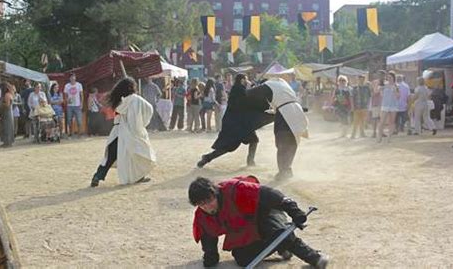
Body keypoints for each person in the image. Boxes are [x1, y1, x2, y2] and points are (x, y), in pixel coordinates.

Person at [189, 176, 329, 268]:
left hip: (265, 213)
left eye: (209, 201)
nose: (207, 207)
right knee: (242, 259)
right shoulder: (202, 215)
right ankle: (280, 247)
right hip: (247, 228)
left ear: (215, 193)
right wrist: (211, 257)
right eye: (201, 204)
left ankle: (314, 257)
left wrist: (293, 210)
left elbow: (270, 195)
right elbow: (208, 236)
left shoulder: (235, 189)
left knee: (278, 233)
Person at [198, 76, 309, 180]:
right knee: (230, 145)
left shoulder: (244, 90)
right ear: (242, 80)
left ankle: (254, 162)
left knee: (260, 141)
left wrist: (255, 91)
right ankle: (207, 157)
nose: (247, 81)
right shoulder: (239, 90)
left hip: (245, 123)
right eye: (245, 79)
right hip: (239, 124)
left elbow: (255, 99)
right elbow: (252, 101)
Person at [91, 77, 156, 187]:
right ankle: (138, 176)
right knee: (137, 153)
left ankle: (97, 176)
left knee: (110, 157)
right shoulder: (136, 99)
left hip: (117, 132)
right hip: (131, 133)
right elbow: (149, 108)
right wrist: (142, 123)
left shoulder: (119, 101)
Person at [377, 71, 400, 143]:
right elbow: (380, 94)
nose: (389, 78)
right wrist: (381, 89)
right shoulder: (384, 85)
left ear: (393, 78)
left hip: (393, 105)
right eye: (388, 77)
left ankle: (389, 138)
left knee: (392, 122)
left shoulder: (396, 86)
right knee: (382, 122)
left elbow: (398, 96)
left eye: (390, 77)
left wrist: (395, 90)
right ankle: (379, 136)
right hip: (385, 105)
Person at [370, 70, 386, 138]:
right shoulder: (374, 82)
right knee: (375, 118)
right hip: (376, 102)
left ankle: (382, 132)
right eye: (380, 75)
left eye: (382, 75)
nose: (381, 76)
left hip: (384, 103)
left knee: (382, 118)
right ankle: (374, 132)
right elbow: (373, 92)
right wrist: (379, 89)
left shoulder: (386, 83)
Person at [0, 82, 15, 147]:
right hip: (9, 112)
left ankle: (7, 143)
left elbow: (7, 105)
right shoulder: (11, 94)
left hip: (7, 112)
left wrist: (0, 104)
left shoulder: (7, 95)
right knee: (9, 127)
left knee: (7, 127)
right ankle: (8, 142)